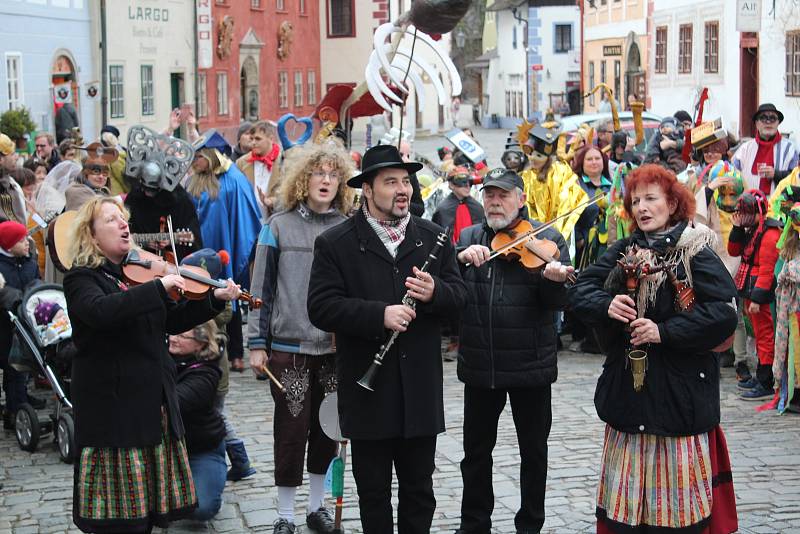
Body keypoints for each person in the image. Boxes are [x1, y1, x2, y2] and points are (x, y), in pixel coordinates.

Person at [568, 164, 739, 534]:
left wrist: (664, 331)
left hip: (679, 402)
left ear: (672, 203)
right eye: (635, 201)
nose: (642, 207)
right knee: (627, 519)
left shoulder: (694, 250)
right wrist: (606, 305)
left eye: (651, 199)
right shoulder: (623, 250)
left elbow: (724, 313)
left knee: (676, 520)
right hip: (629, 400)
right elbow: (580, 290)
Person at [307, 144, 467, 534]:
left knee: (420, 492)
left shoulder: (434, 237)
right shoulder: (336, 243)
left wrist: (436, 294)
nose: (404, 189)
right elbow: (321, 307)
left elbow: (461, 298)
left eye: (406, 181)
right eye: (391, 181)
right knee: (373, 494)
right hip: (367, 393)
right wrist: (378, 315)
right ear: (368, 189)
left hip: (419, 393)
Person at [64, 196, 242, 533]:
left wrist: (211, 299)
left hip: (148, 408)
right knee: (119, 520)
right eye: (112, 219)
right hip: (114, 416)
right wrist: (159, 287)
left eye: (123, 218)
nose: (123, 224)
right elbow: (102, 312)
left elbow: (171, 320)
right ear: (91, 234)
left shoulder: (135, 275)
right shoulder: (82, 279)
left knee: (145, 516)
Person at [453, 168, 573, 534]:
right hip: (481, 365)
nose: (494, 201)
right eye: (489, 194)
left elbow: (563, 300)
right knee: (475, 455)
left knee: (533, 453)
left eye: (503, 195)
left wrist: (553, 281)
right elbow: (451, 295)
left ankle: (530, 526)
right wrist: (459, 260)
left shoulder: (547, 239)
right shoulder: (470, 237)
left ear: (521, 199)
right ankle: (474, 525)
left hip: (530, 365)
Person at [249, 143, 355, 534]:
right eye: (318, 173)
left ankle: (316, 507)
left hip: (332, 348)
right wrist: (257, 343)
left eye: (333, 174)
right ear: (302, 179)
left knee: (327, 430)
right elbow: (260, 289)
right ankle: (285, 514)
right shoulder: (277, 226)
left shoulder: (347, 228)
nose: (325, 180)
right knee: (291, 431)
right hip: (288, 348)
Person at [188, 130, 261, 373]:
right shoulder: (195, 181)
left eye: (198, 156)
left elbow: (247, 213)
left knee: (230, 296)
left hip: (226, 246)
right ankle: (206, 346)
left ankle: (237, 354)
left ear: (210, 156)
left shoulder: (234, 178)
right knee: (203, 297)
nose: (194, 161)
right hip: (201, 248)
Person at [169, 320, 228, 521]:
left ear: (201, 343)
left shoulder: (206, 373)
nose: (173, 339)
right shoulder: (161, 356)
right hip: (163, 449)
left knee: (201, 508)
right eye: (172, 333)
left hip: (201, 448)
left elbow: (174, 402)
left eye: (181, 336)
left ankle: (211, 484)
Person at [727, 189, 781, 401]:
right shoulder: (751, 229)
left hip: (759, 290)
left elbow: (767, 269)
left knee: (765, 335)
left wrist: (758, 299)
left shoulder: (770, 233)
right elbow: (734, 251)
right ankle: (761, 377)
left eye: (748, 212)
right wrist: (737, 229)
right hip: (749, 286)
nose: (744, 216)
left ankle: (765, 381)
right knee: (759, 336)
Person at [0, 221, 43, 429]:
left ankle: (19, 400)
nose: (27, 242)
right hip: (5, 324)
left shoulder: (29, 263)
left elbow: (36, 282)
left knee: (23, 364)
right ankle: (16, 407)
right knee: (11, 366)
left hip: (25, 320)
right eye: (21, 240)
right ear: (9, 245)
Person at [519, 124, 588, 242]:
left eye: (539, 155)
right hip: (531, 235)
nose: (532, 159)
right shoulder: (526, 176)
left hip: (558, 235)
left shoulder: (561, 172)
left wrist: (555, 232)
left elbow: (568, 200)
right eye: (530, 154)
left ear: (548, 157)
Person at [732, 103, 798, 196]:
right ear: (756, 123)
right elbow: (731, 174)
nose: (768, 122)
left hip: (779, 207)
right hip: (749, 205)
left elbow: (797, 177)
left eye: (772, 118)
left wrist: (776, 174)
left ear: (778, 123)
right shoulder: (745, 149)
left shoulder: (790, 149)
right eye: (763, 118)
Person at [773, 202, 800, 413]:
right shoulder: (788, 251)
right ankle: (794, 393)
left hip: (793, 309)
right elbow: (778, 274)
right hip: (793, 310)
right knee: (794, 352)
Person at [236, 121, 282, 219]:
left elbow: (291, 195)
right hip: (249, 222)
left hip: (276, 222)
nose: (253, 143)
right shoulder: (241, 162)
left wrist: (271, 202)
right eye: (252, 139)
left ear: (271, 139)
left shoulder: (284, 161)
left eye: (258, 139)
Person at [432, 165, 485, 244]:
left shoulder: (477, 207)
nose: (467, 186)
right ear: (451, 185)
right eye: (462, 182)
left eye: (469, 182)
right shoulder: (443, 209)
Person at [64, 142, 119, 211]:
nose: (101, 176)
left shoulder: (102, 191)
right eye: (96, 171)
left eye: (105, 173)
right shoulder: (77, 192)